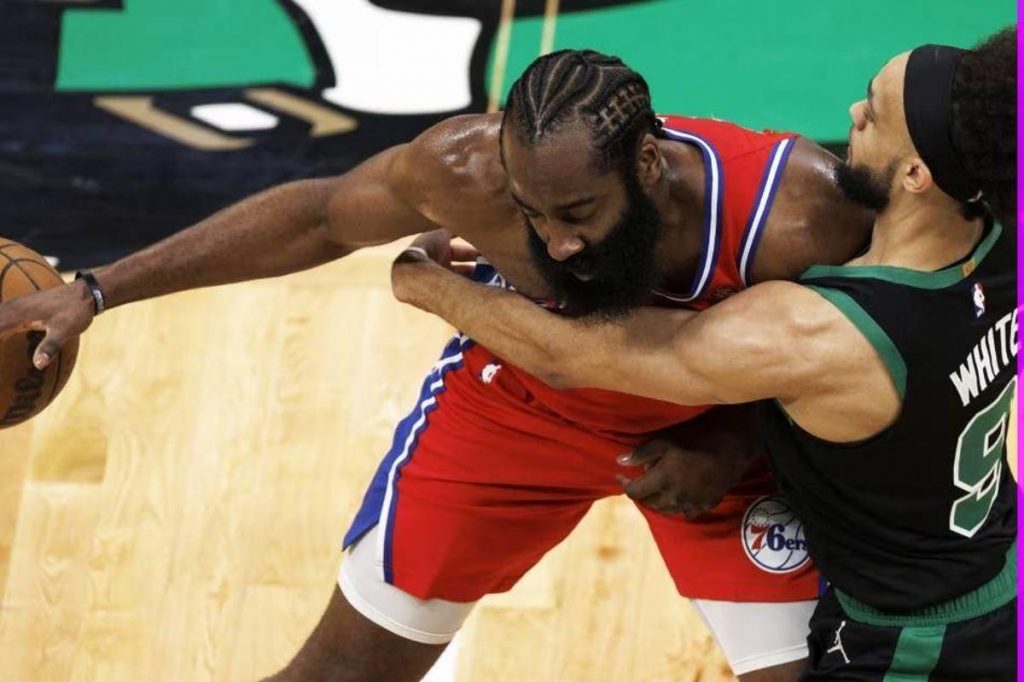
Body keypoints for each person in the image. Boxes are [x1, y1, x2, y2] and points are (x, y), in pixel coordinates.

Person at [0, 51, 873, 680]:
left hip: (711, 437)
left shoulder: (800, 213)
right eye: (534, 214)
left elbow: (876, 345)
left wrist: (729, 436)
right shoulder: (467, 173)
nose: (559, 242)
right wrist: (96, 290)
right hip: (520, 414)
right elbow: (319, 217)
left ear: (650, 163)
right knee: (341, 672)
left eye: (580, 211)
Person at [392, 28, 1017, 679]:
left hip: (914, 640)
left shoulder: (819, 332)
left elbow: (570, 356)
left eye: (874, 111)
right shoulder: (1004, 238)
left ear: (917, 174)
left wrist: (428, 283)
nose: (853, 114)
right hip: (1001, 569)